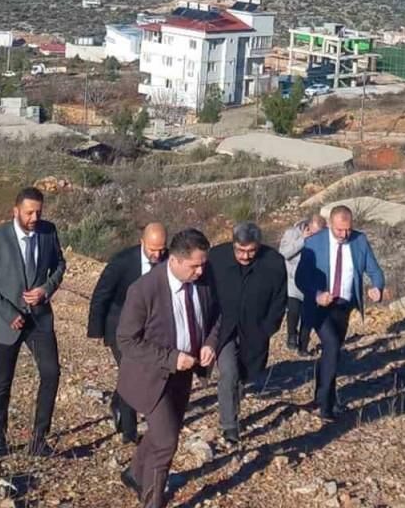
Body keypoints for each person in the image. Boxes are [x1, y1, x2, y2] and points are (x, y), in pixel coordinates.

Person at [117, 229, 220, 508]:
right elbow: (126, 340)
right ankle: (153, 502)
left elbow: (216, 315)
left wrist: (210, 343)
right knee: (165, 443)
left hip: (184, 374)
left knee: (164, 430)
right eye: (194, 266)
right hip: (151, 376)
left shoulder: (204, 278)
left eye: (203, 264)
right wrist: (171, 358)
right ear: (174, 260)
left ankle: (134, 473)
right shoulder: (144, 290)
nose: (200, 271)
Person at [0, 186, 67, 457]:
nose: (34, 217)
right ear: (16, 211)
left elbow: (60, 265)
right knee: (3, 381)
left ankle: (39, 440)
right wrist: (8, 313)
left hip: (40, 319)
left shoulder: (48, 232)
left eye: (38, 212)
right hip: (7, 322)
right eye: (29, 213)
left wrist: (46, 289)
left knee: (51, 373)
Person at [295, 205, 385, 423]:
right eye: (339, 230)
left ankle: (323, 396)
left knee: (331, 352)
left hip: (344, 306)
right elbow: (301, 277)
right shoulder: (314, 243)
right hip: (320, 306)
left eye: (348, 230)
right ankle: (326, 406)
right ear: (330, 225)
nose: (344, 235)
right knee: (332, 345)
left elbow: (374, 270)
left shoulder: (359, 241)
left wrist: (377, 286)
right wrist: (316, 294)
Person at [86, 222, 168, 443]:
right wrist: (96, 330)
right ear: (142, 242)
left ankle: (118, 402)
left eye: (161, 249)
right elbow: (102, 294)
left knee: (143, 373)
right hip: (120, 326)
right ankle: (129, 432)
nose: (157, 255)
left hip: (150, 328)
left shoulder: (169, 261)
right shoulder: (122, 261)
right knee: (131, 373)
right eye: (153, 250)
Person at [207, 222, 288, 444]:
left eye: (251, 251)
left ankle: (234, 400)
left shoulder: (273, 262)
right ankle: (229, 426)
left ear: (259, 246)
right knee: (228, 372)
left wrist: (268, 328)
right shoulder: (216, 258)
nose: (245, 256)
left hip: (255, 329)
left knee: (244, 373)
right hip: (223, 327)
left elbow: (280, 299)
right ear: (233, 243)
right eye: (240, 250)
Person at [278, 215, 325, 355]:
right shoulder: (291, 234)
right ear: (307, 226)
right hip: (292, 279)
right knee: (293, 309)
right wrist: (302, 240)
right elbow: (283, 254)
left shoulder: (323, 239)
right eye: (313, 232)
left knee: (308, 315)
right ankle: (292, 335)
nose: (315, 236)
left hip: (311, 281)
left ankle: (303, 347)